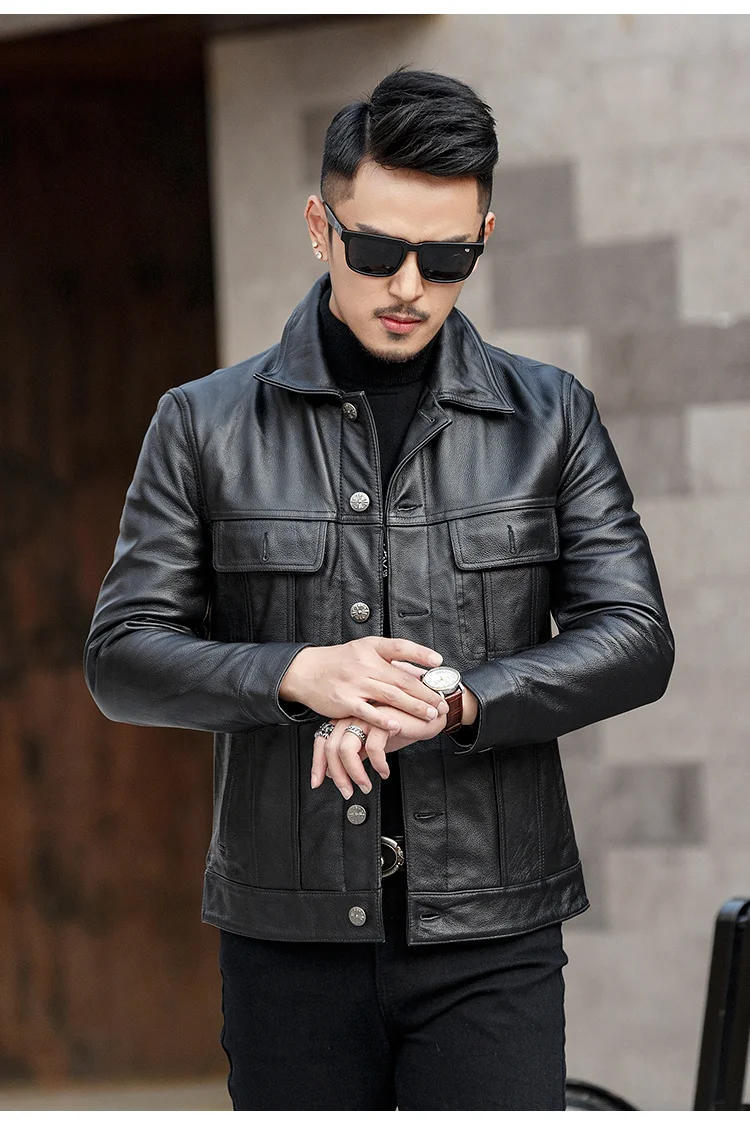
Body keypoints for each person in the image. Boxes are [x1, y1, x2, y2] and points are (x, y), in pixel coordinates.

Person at [83, 66, 675, 1110]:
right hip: (287, 935)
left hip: (494, 932)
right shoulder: (203, 425)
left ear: (483, 236)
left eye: (446, 259)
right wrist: (298, 673)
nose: (409, 286)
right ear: (322, 228)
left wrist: (459, 700)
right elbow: (122, 655)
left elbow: (635, 635)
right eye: (377, 251)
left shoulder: (551, 417)